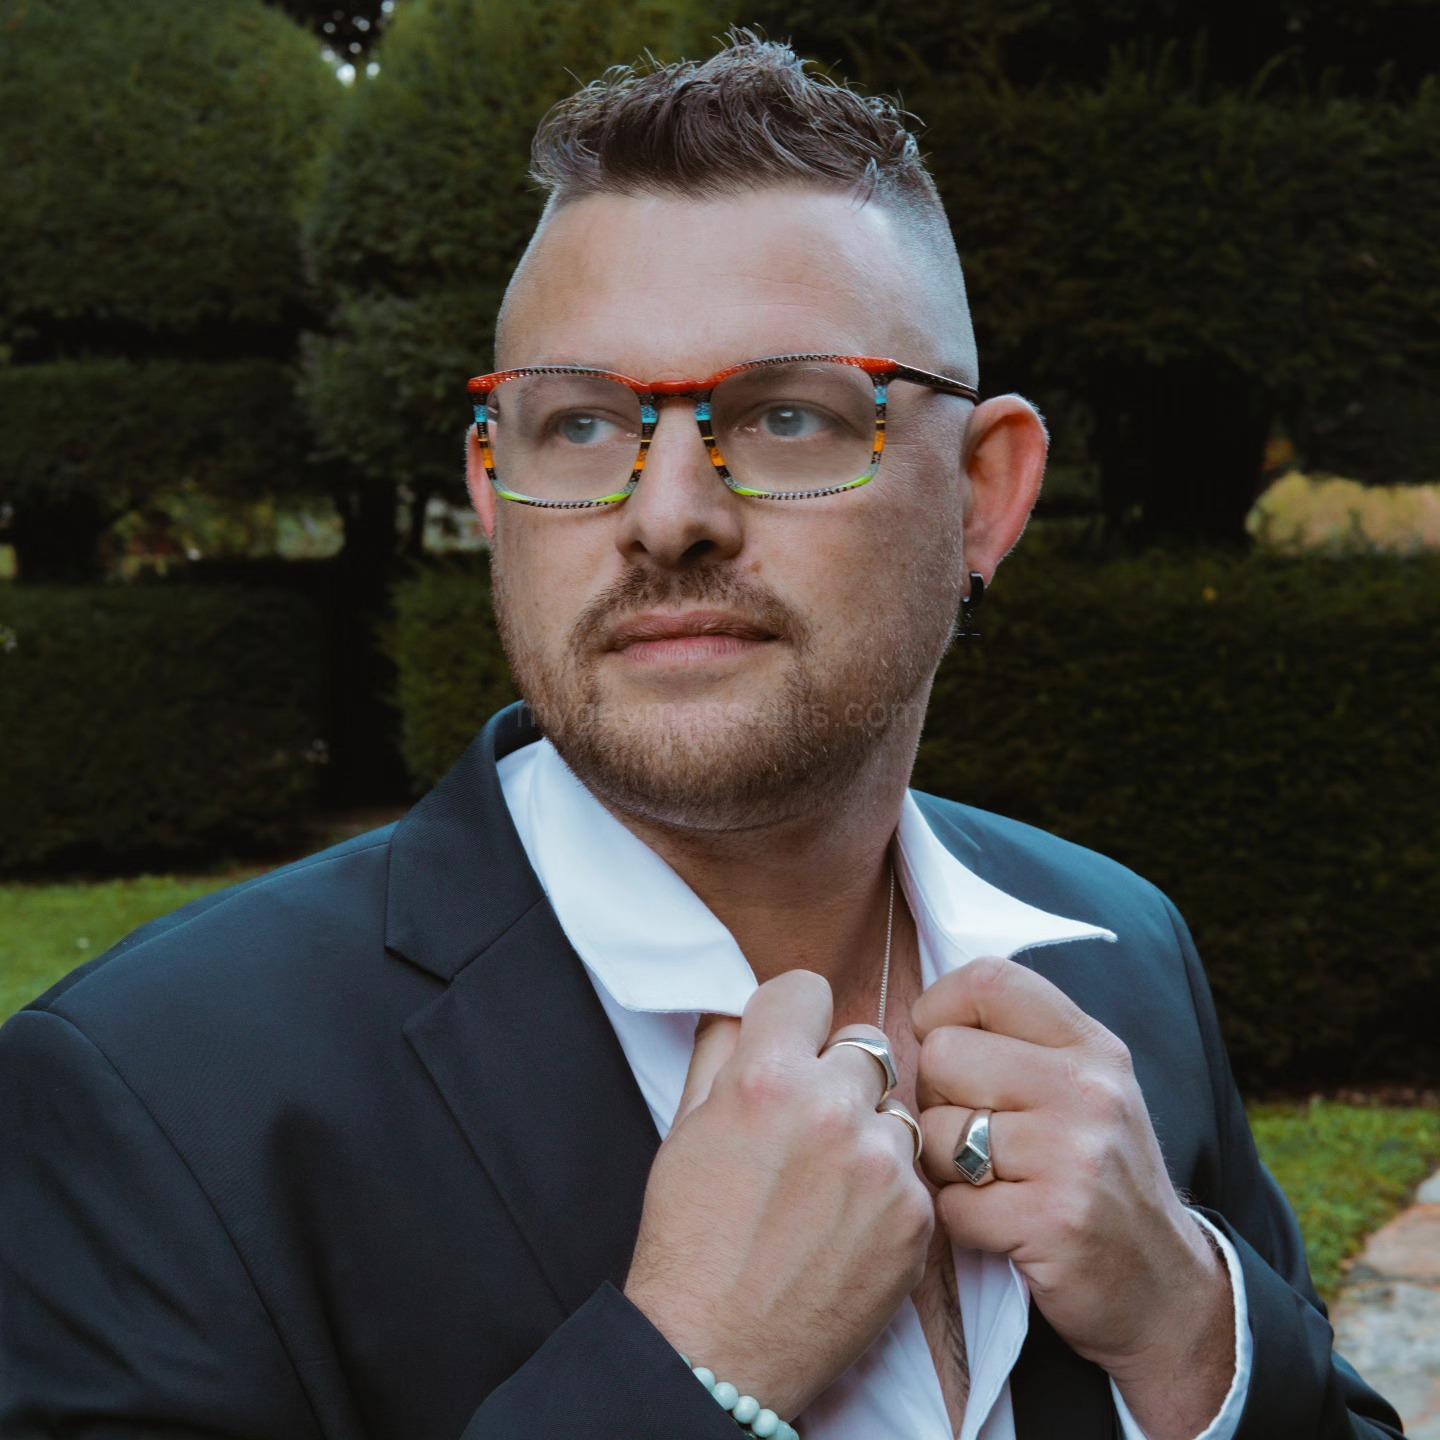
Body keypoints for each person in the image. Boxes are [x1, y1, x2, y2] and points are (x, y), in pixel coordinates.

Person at [0, 31, 1405, 1440]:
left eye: (787, 415)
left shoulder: (1121, 949)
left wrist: (1192, 1330)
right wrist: (694, 1374)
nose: (666, 514)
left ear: (985, 494)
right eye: (581, 425)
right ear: (493, 493)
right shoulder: (157, 1097)